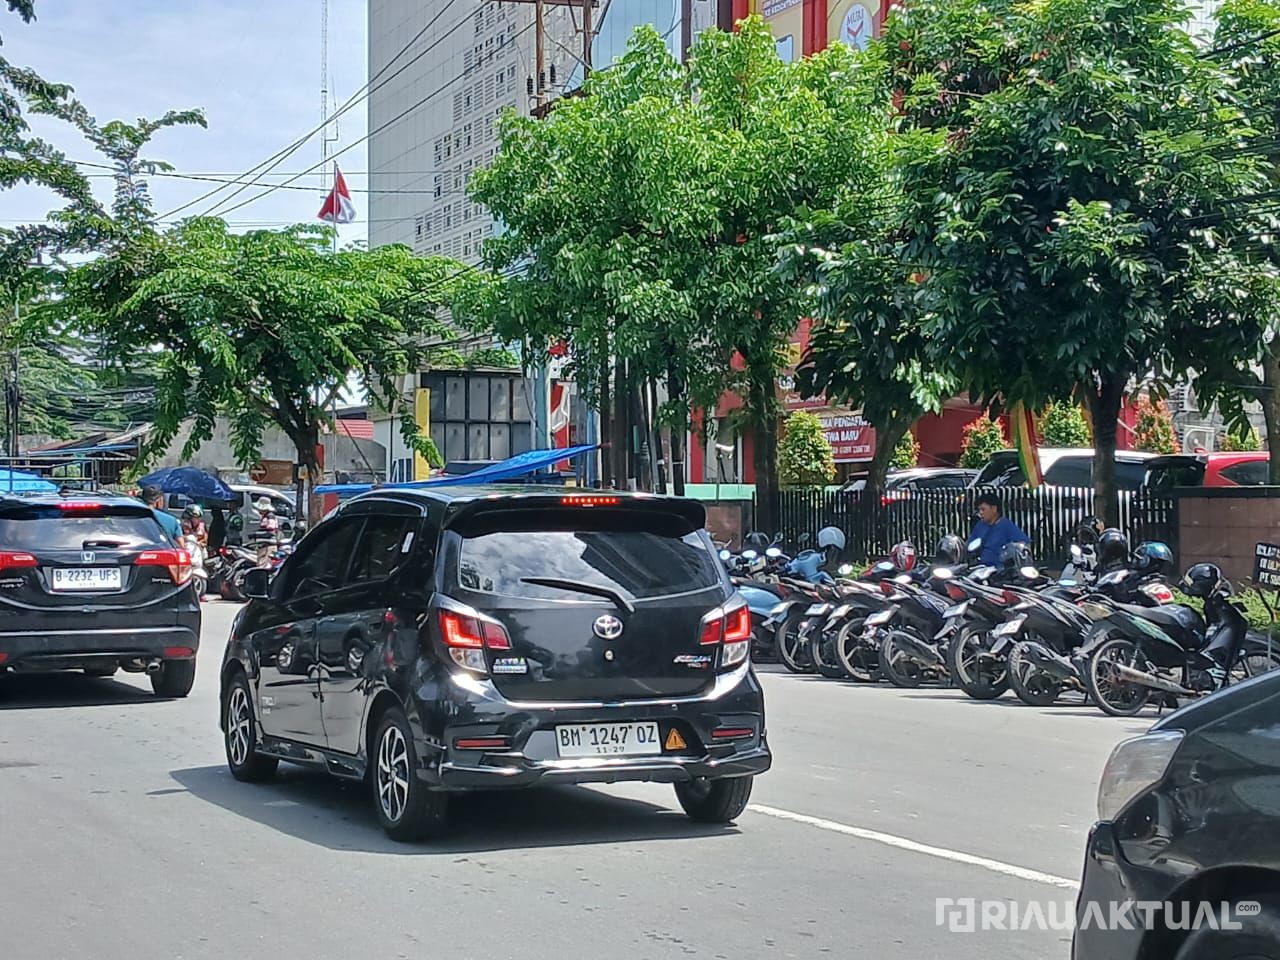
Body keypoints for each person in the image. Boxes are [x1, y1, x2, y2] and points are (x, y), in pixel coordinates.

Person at [969, 492, 1029, 566]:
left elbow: (1023, 544)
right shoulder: (979, 526)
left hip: (1000, 570)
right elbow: (970, 544)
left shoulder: (1006, 526)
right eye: (979, 510)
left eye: (983, 509)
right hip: (981, 568)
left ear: (994, 509)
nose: (980, 513)